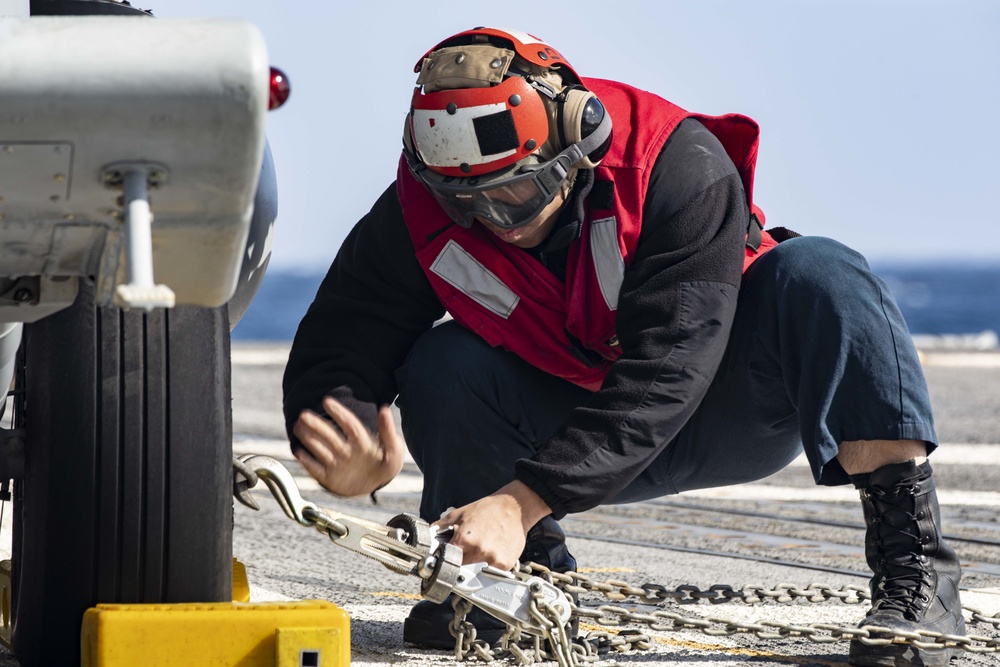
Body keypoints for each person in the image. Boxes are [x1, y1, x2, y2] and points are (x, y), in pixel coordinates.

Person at [282, 27, 963, 667]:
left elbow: (670, 368)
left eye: (515, 196)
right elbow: (340, 339)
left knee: (823, 273)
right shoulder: (426, 205)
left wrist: (520, 501)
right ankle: (512, 589)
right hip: (561, 422)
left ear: (574, 148)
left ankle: (918, 574)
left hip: (728, 408)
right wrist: (343, 447)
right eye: (468, 204)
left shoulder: (676, 165)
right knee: (443, 364)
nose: (493, 219)